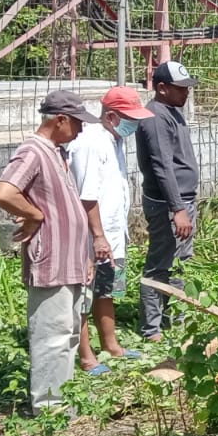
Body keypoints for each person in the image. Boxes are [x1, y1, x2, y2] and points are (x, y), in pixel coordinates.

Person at [0, 90, 101, 415]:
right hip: (51, 260)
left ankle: (61, 402)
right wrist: (35, 215)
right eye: (77, 123)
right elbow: (4, 192)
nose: (80, 130)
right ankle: (49, 411)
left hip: (70, 262)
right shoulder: (34, 150)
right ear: (60, 120)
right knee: (51, 335)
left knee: (66, 334)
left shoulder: (55, 152)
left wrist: (85, 255)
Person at [67, 86, 154, 374]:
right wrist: (98, 236)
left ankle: (111, 344)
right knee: (84, 294)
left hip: (114, 236)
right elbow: (87, 196)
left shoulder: (113, 140)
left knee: (108, 290)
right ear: (113, 116)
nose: (136, 125)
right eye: (131, 118)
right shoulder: (91, 142)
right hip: (93, 236)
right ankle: (86, 355)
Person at [136, 60, 200, 341]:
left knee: (180, 262)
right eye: (181, 88)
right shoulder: (155, 116)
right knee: (160, 264)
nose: (186, 93)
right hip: (168, 205)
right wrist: (177, 208)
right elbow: (162, 165)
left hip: (182, 202)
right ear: (162, 88)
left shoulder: (172, 111)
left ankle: (174, 320)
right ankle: (151, 329)